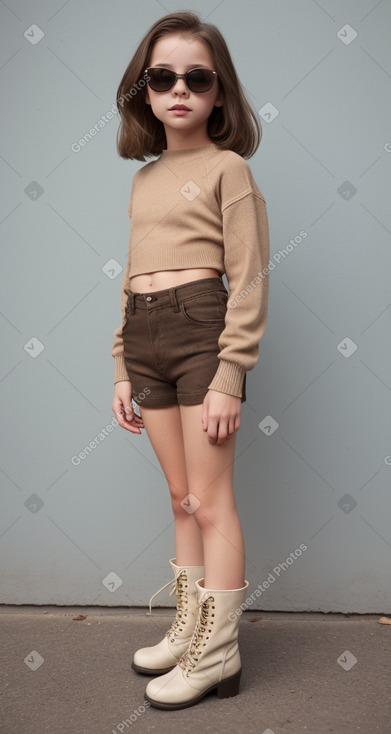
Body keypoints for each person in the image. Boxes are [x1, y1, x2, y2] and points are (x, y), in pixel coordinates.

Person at [111, 11, 270, 710]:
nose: (180, 89)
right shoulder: (145, 180)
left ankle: (219, 653)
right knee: (180, 499)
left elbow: (252, 276)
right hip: (144, 334)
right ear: (143, 92)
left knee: (210, 500)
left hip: (201, 331)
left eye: (196, 77)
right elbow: (131, 274)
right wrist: (121, 362)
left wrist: (230, 373)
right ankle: (189, 629)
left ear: (218, 92)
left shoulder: (227, 168)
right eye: (163, 77)